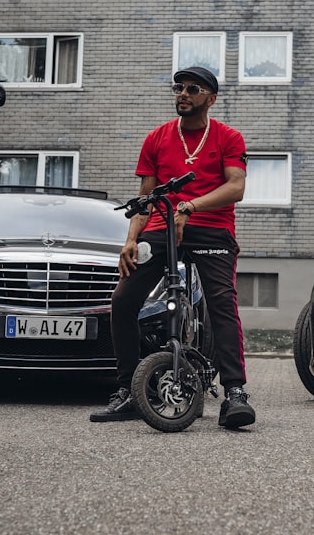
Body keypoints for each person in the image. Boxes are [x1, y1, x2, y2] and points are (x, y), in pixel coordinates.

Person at [90, 66, 255, 429]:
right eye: (179, 87)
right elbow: (146, 198)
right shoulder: (157, 138)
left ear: (210, 99)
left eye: (192, 89)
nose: (183, 93)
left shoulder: (228, 137)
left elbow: (236, 187)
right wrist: (131, 239)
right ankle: (129, 391)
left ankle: (235, 393)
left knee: (221, 303)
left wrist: (190, 207)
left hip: (212, 230)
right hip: (161, 230)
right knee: (123, 299)